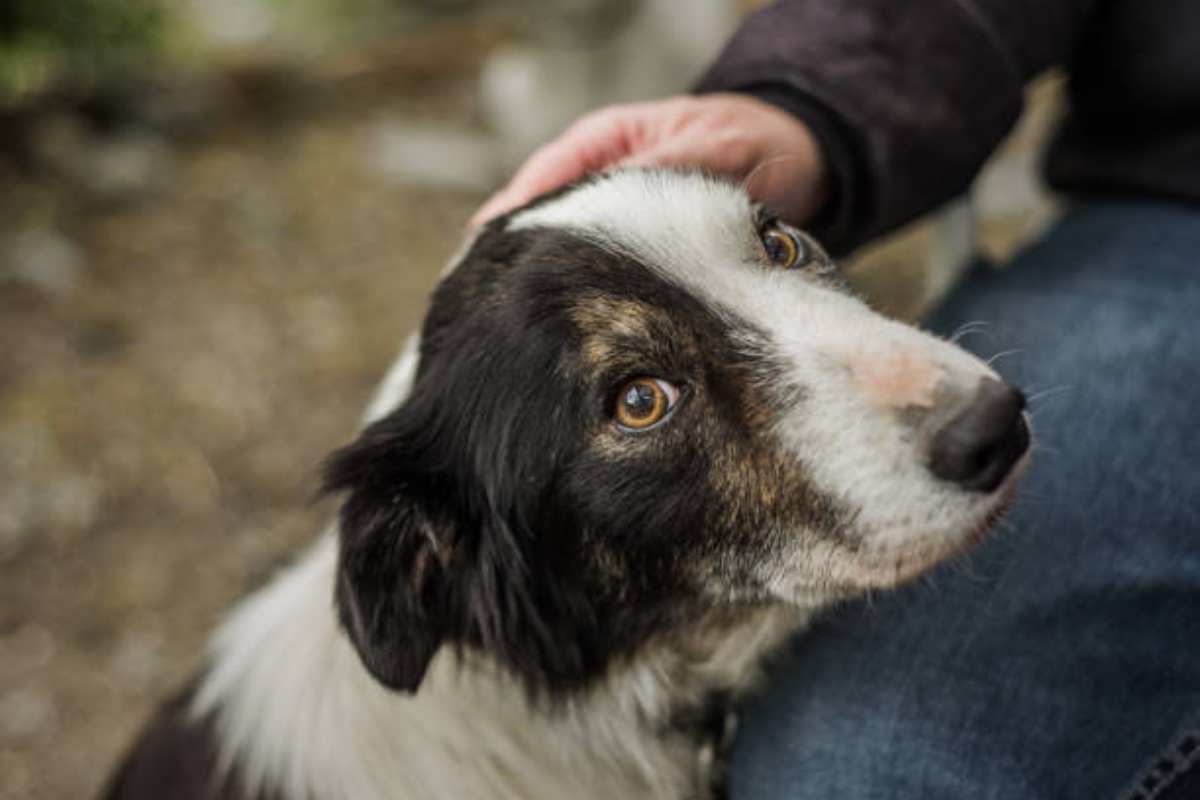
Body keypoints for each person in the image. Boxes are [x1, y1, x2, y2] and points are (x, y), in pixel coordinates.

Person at [473, 1, 1200, 797]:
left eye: (777, 246)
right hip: (1169, 201)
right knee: (874, 773)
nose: (957, 399)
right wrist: (808, 102)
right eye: (641, 398)